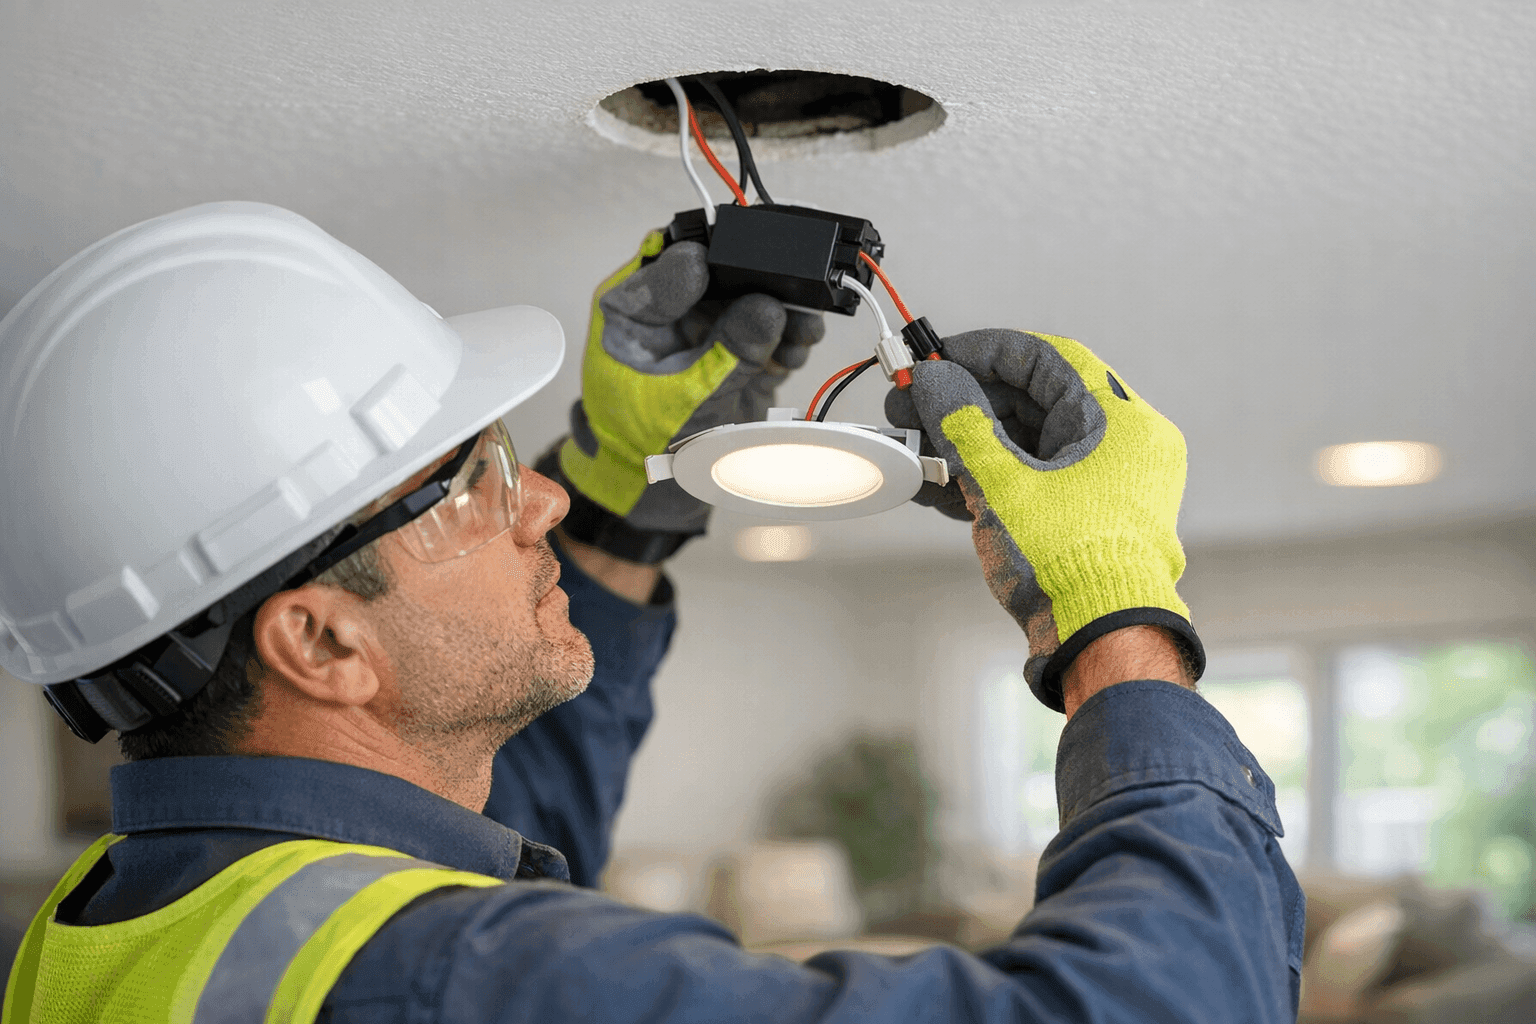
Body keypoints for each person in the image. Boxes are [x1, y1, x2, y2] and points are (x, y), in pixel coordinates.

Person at [0, 202, 1302, 1023]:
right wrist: (1117, 616)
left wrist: (626, 494)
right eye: (475, 483)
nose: (540, 506)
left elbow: (502, 823)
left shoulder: (114, 931)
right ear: (320, 640)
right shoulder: (463, 976)